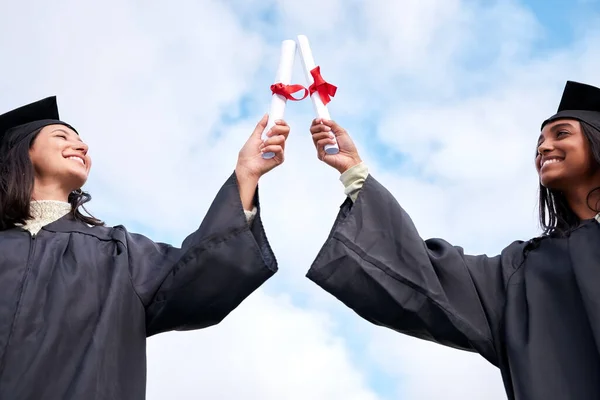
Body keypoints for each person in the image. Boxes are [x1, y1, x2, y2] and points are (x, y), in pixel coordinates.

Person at [306, 80, 600, 400]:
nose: (543, 148)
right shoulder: (528, 272)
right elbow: (423, 276)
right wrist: (352, 170)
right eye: (540, 141)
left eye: (562, 134)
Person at [0, 96, 288, 399]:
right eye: (62, 136)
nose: (82, 147)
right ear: (21, 151)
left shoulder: (120, 254)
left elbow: (200, 274)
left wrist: (246, 174)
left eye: (82, 142)